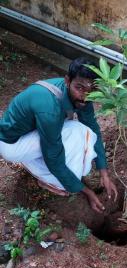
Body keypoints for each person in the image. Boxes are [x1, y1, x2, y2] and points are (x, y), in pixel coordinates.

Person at [0, 57, 117, 213]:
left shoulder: (82, 97)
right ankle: (48, 180)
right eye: (79, 88)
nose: (85, 96)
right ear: (67, 81)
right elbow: (54, 157)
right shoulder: (50, 109)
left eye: (92, 91)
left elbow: (93, 127)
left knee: (83, 131)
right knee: (76, 131)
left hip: (29, 133)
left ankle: (39, 165)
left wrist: (104, 172)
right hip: (13, 144)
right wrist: (86, 191)